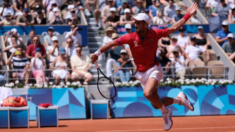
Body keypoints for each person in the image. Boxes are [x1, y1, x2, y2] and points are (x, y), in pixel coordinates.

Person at [91, 3, 198, 130]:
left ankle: (166, 112)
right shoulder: (130, 37)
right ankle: (180, 99)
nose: (135, 25)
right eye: (135, 22)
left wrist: (188, 15)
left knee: (147, 93)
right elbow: (112, 43)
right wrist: (97, 53)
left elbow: (173, 28)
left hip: (154, 69)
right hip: (141, 73)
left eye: (138, 23)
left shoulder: (154, 33)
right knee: (155, 103)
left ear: (146, 24)